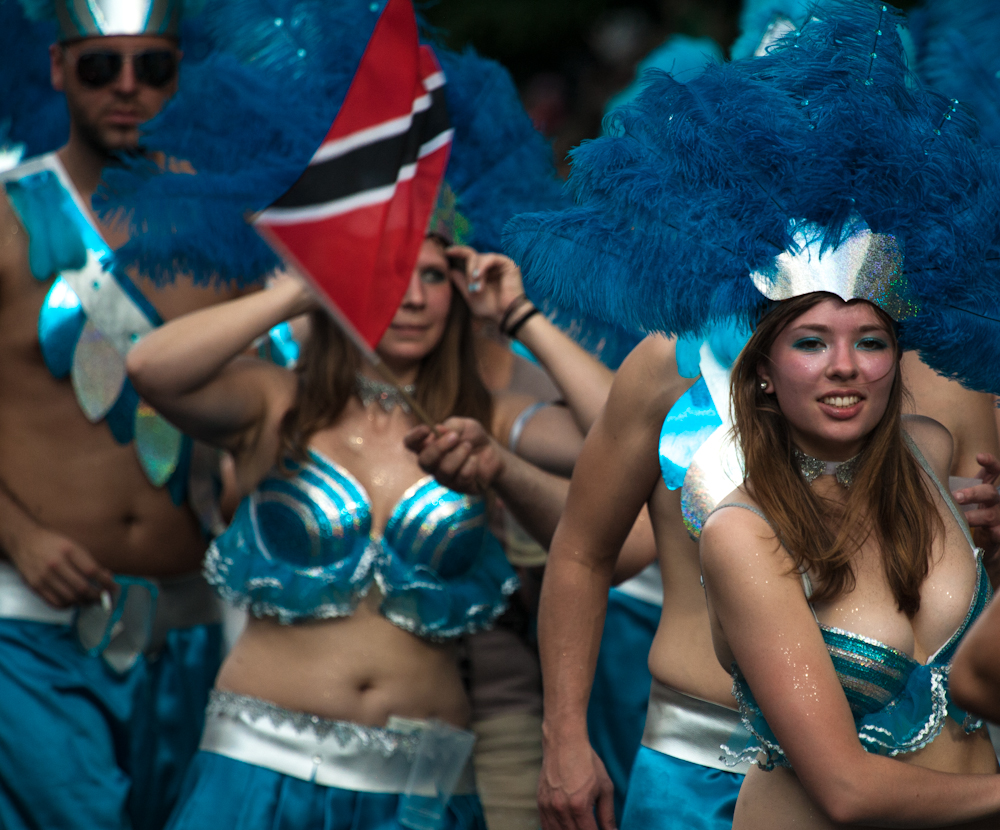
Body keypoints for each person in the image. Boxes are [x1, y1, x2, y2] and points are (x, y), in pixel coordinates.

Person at [125, 210, 618, 827]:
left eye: (435, 276)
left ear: (458, 293)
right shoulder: (279, 402)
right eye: (389, 273)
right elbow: (149, 367)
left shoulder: (483, 420)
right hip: (260, 766)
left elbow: (623, 436)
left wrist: (520, 317)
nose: (413, 298)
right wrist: (308, 285)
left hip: (419, 787)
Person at [0, 3, 248, 828]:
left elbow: (274, 401)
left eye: (154, 66)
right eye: (103, 65)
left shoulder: (227, 229)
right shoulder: (5, 219)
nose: (129, 87)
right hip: (33, 634)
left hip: (189, 627)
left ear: (180, 71)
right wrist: (20, 535)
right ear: (58, 68)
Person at [701, 292, 1000, 827]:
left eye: (870, 342)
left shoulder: (928, 452)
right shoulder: (744, 534)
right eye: (811, 343)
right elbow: (846, 790)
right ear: (764, 369)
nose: (844, 367)